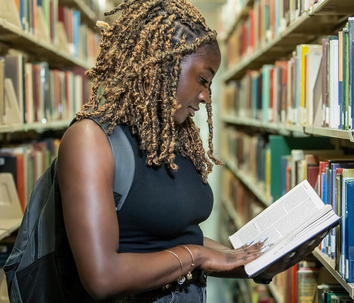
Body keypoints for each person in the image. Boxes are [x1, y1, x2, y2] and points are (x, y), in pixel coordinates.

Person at [57, 1, 323, 302]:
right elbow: (102, 277)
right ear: (164, 64)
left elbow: (176, 236)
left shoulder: (173, 137)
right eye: (203, 79)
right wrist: (196, 257)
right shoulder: (92, 140)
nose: (206, 96)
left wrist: (254, 261)